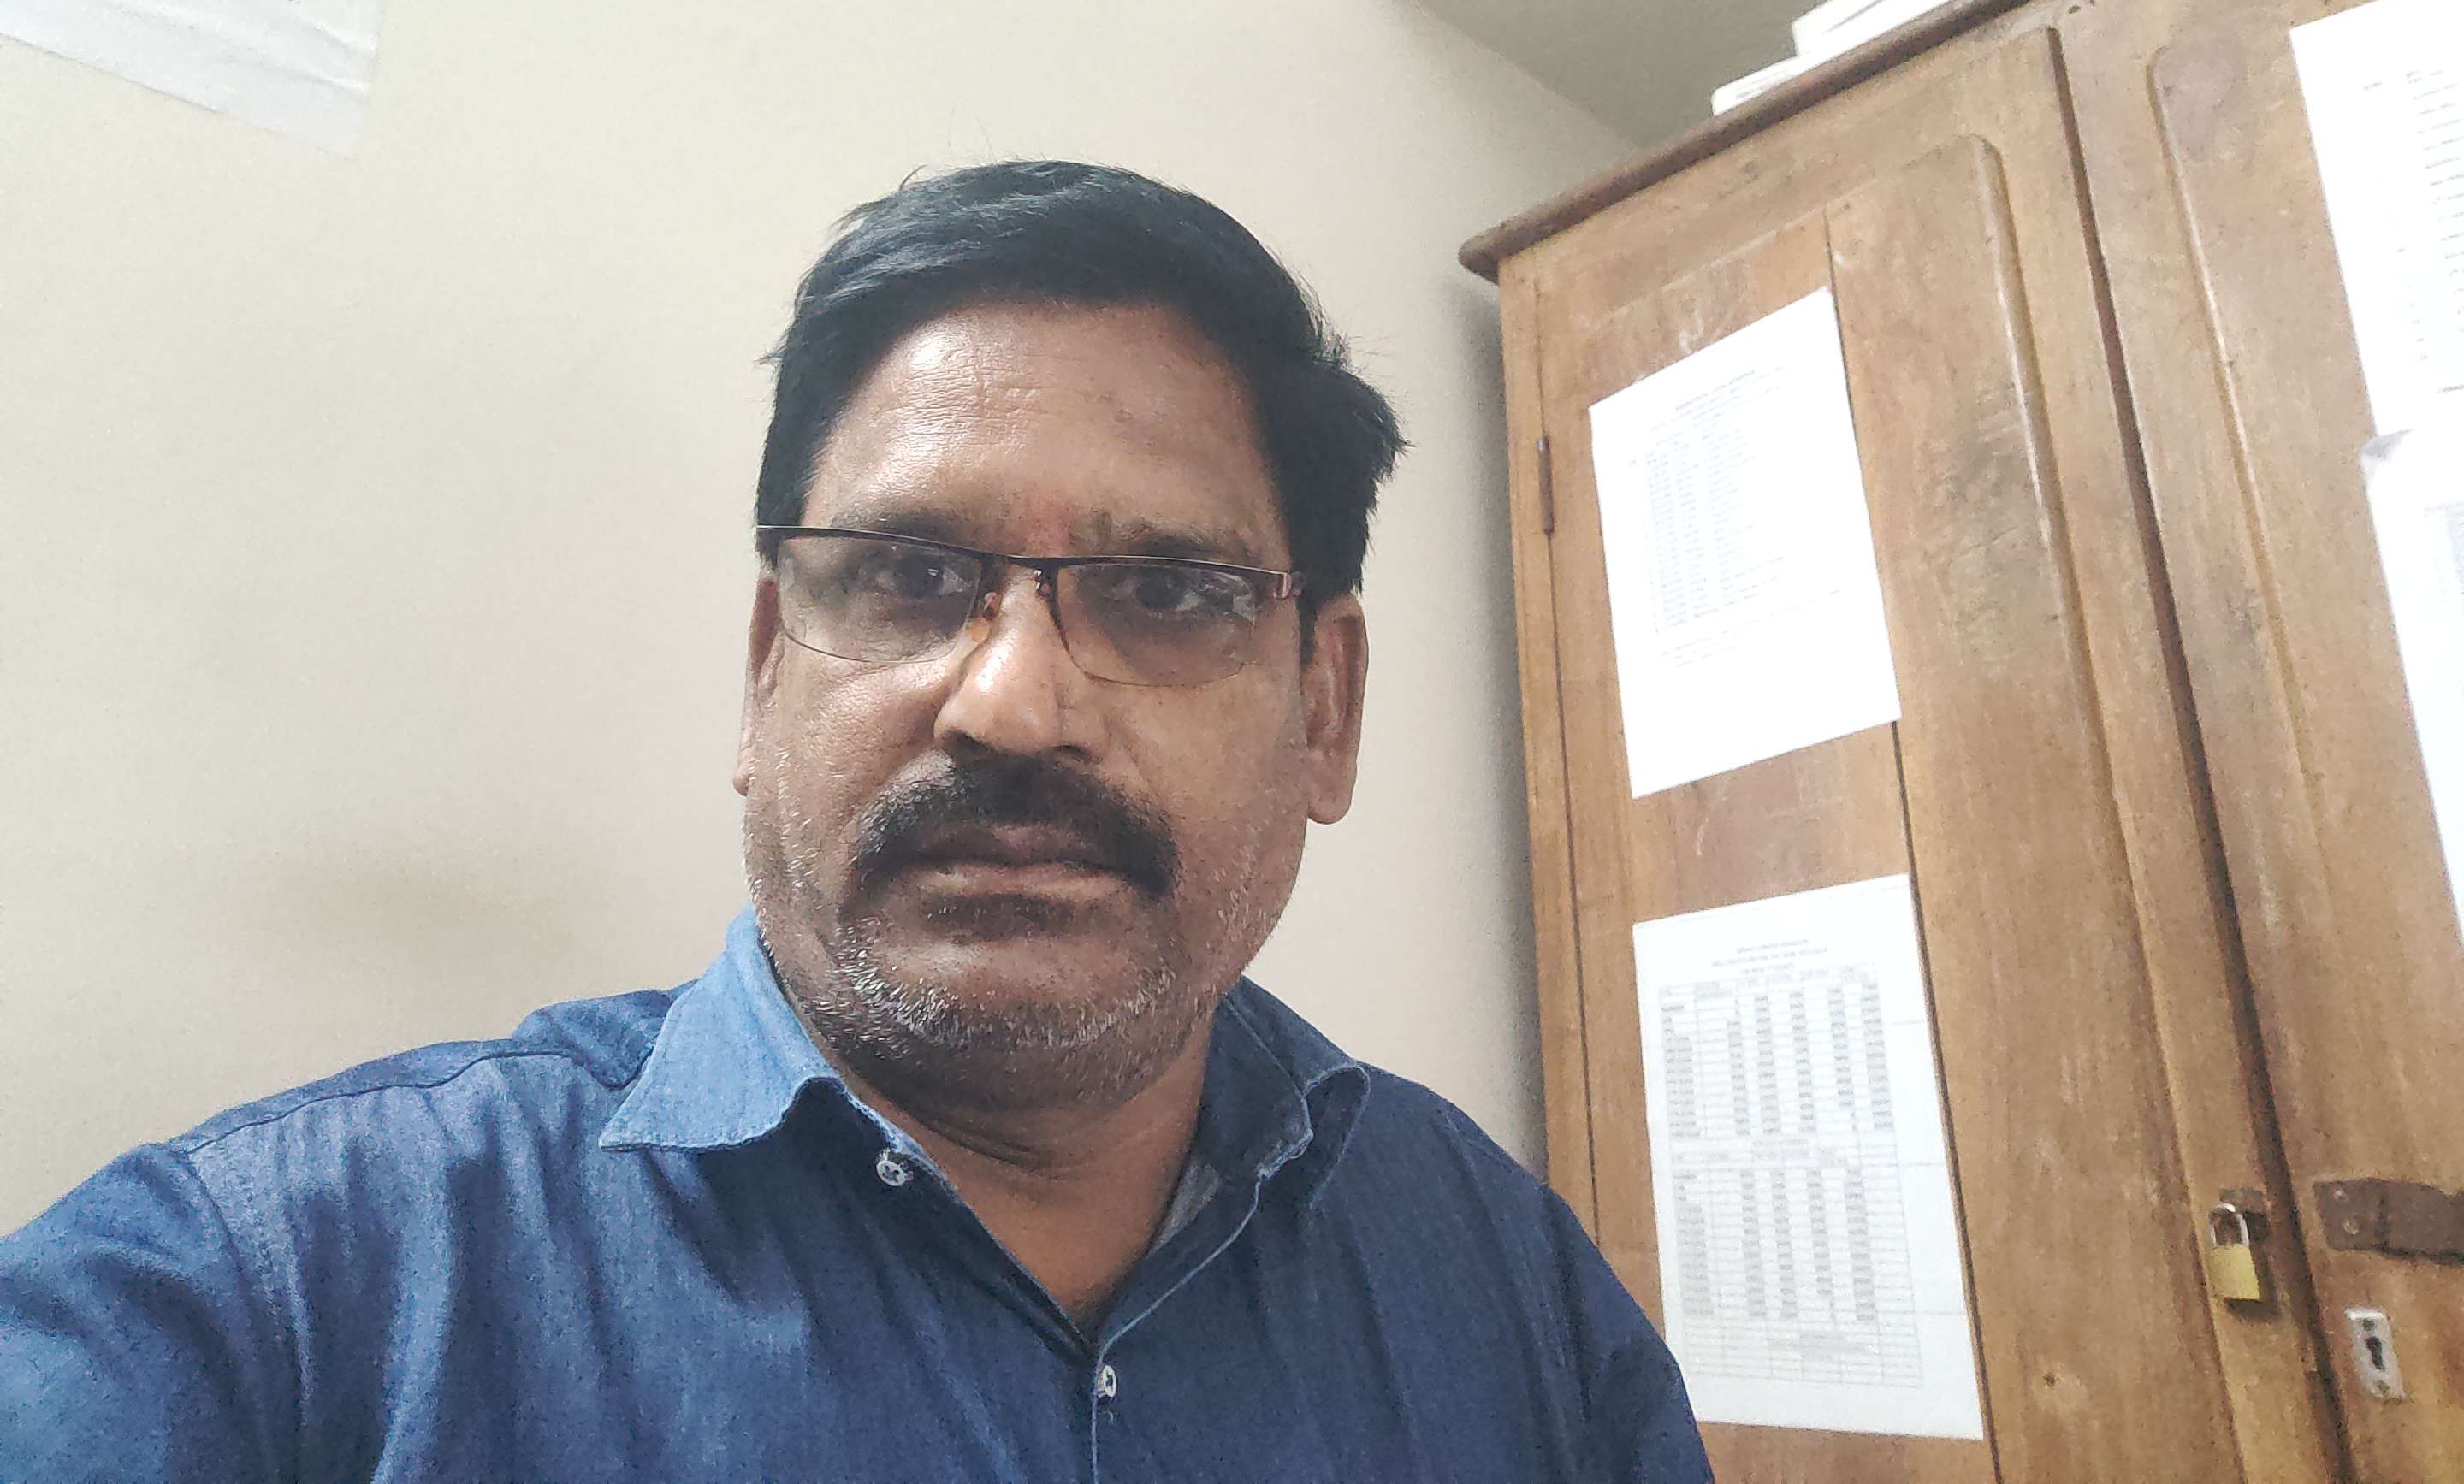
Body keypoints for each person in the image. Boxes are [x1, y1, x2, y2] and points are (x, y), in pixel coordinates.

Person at [0, 162, 1708, 1481]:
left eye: (1167, 592)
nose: (1012, 703)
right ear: (767, 671)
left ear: (1325, 710)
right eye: (908, 576)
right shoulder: (271, 1304)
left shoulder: (1510, 1286)